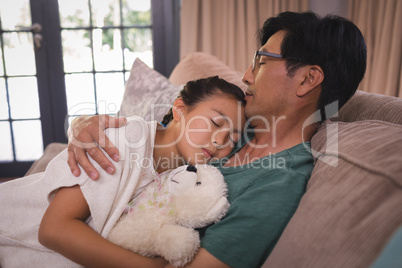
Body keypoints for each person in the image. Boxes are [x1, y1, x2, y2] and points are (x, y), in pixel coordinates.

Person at [66, 11, 367, 268]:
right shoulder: (237, 125)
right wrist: (88, 125)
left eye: (260, 61)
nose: (246, 75)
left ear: (307, 79)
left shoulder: (277, 186)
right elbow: (156, 136)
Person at [0, 76, 246, 268]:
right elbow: (54, 229)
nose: (220, 141)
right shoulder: (125, 139)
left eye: (233, 139)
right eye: (215, 123)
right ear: (180, 108)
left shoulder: (186, 179)